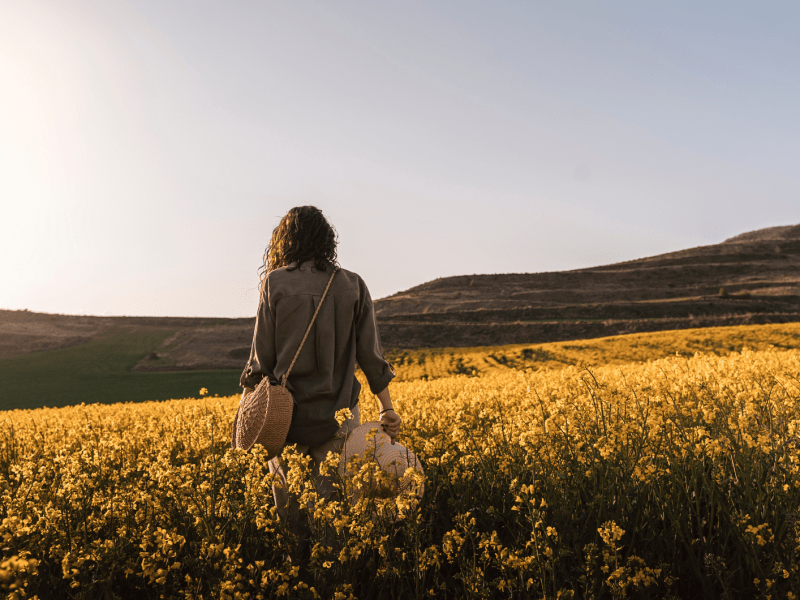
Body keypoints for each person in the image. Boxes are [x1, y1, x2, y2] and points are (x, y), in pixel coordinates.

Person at [239, 205, 401, 563]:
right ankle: (335, 581)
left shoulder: (275, 283)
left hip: (285, 418)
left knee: (291, 516)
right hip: (340, 416)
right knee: (334, 517)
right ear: (327, 241)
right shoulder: (353, 285)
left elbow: (260, 361)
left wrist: (248, 413)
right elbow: (371, 358)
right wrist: (387, 407)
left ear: (285, 241)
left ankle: (297, 580)